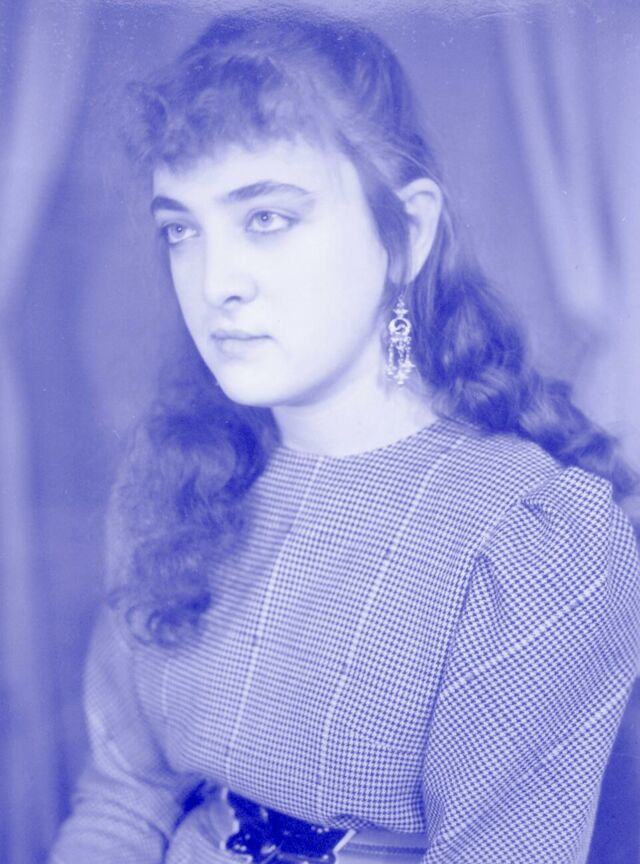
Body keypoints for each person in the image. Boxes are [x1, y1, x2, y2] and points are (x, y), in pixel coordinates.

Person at [50, 7, 640, 864]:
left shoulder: (529, 538)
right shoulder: (176, 476)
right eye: (181, 229)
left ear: (407, 234)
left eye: (267, 218)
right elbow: (121, 799)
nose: (215, 283)